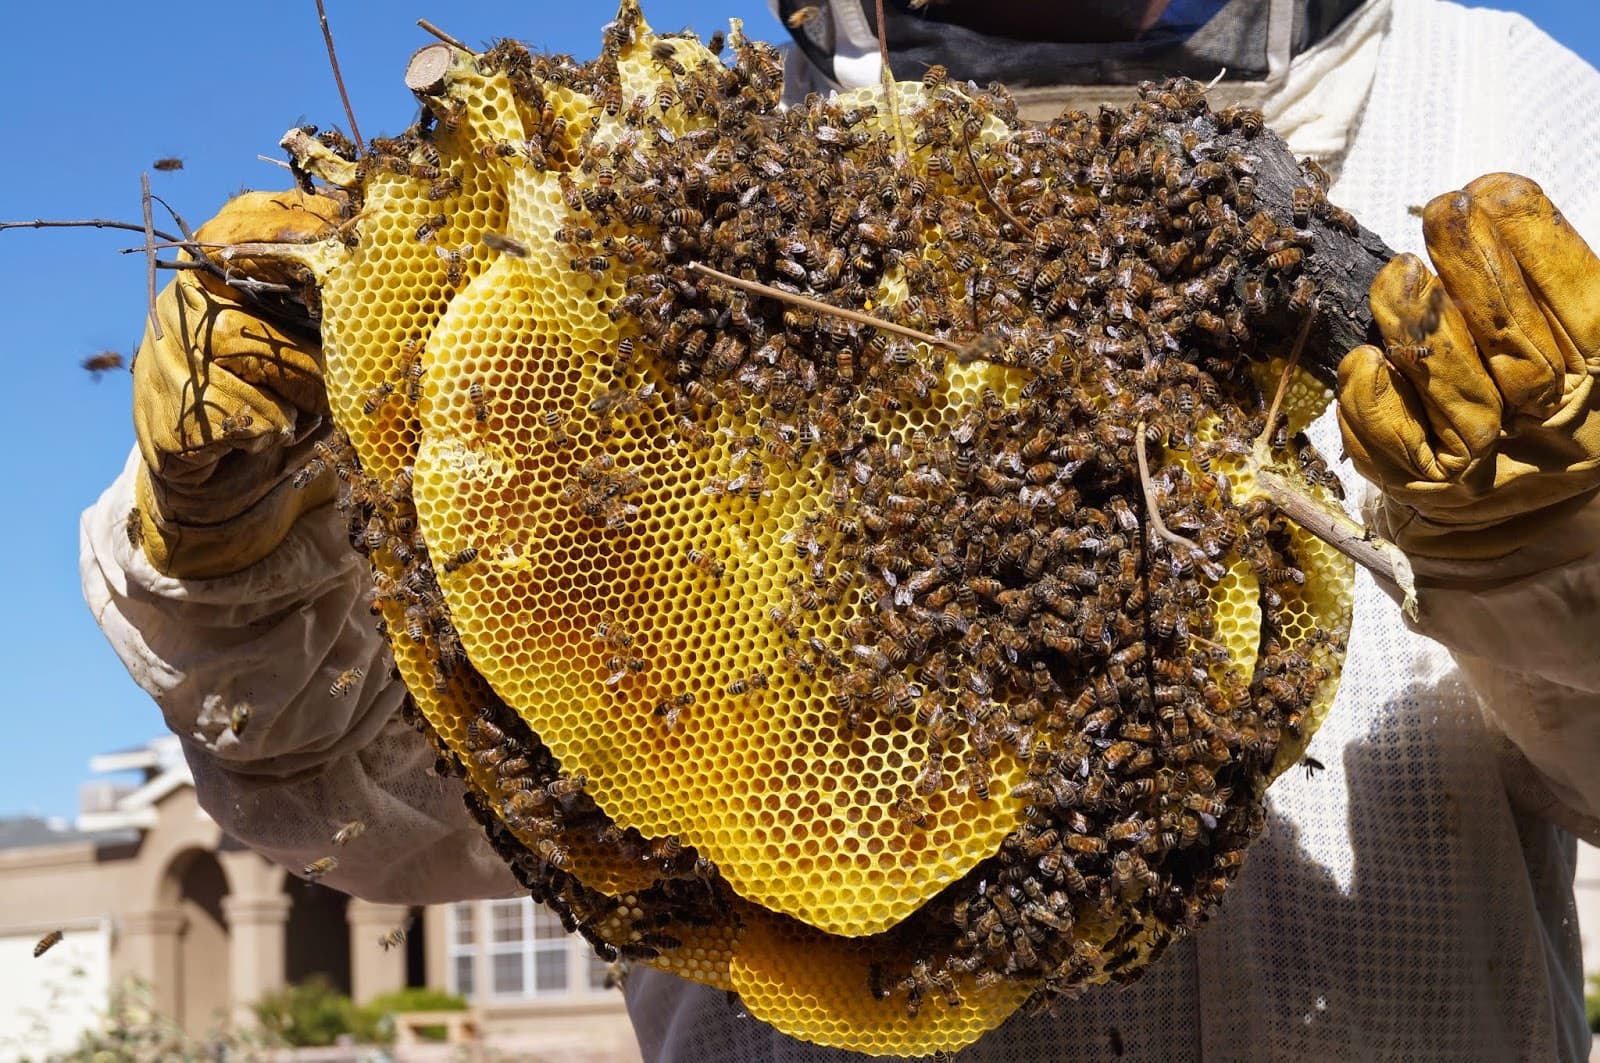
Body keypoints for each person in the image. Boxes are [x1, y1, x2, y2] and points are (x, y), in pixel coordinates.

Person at [80, 0, 1600, 1057]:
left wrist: (1559, 560)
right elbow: (383, 806)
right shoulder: (652, 188)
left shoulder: (1507, 110)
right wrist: (242, 557)